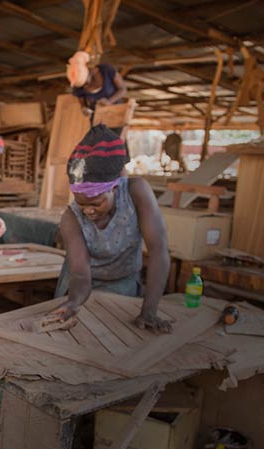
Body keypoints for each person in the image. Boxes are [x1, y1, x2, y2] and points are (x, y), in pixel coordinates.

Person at [50, 125, 172, 332]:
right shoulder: (71, 218)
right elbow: (80, 274)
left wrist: (149, 310)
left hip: (123, 284)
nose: (88, 211)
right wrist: (73, 302)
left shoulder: (136, 192)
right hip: (80, 287)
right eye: (81, 204)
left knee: (122, 337)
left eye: (96, 203)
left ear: (114, 188)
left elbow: (159, 250)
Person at [70, 52, 127, 123]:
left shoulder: (107, 70)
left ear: (92, 71)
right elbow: (83, 104)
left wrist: (109, 101)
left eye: (87, 83)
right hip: (98, 119)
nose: (86, 86)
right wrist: (84, 109)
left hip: (117, 115)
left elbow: (123, 89)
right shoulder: (78, 82)